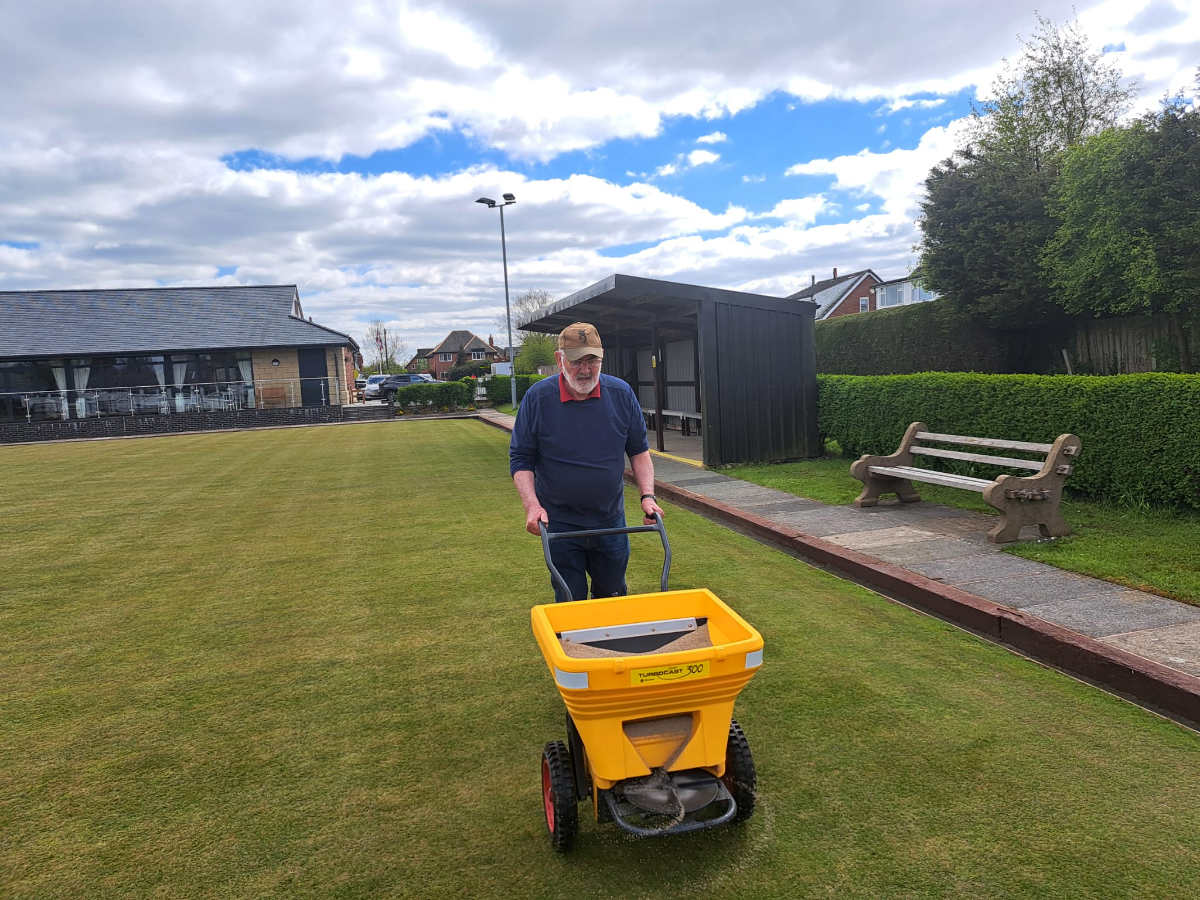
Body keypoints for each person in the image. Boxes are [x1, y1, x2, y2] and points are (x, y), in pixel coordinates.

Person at [509, 321, 664, 602]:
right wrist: (532, 506)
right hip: (560, 524)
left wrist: (648, 496)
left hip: (611, 521)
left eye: (592, 360)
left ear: (602, 358)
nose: (585, 369)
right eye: (576, 360)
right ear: (560, 360)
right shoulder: (538, 399)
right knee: (571, 600)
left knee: (612, 598)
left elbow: (639, 451)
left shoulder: (620, 394)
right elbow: (521, 458)